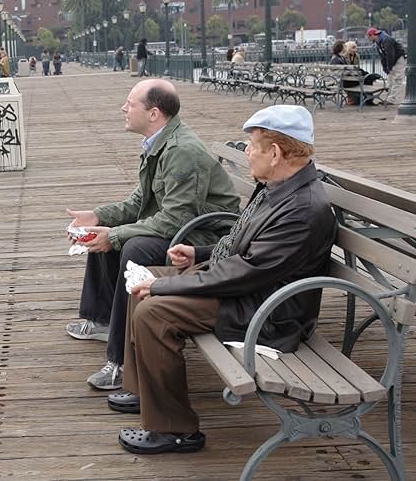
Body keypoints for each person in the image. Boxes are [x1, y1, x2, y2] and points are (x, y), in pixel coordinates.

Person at [112, 105, 337, 456]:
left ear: (275, 153)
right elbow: (246, 246)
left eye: (252, 146)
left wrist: (164, 287)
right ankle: (144, 389)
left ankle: (174, 430)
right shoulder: (280, 186)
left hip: (268, 314)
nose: (246, 152)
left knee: (152, 311)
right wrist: (200, 254)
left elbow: (244, 272)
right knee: (145, 279)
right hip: (251, 293)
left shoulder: (303, 209)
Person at [65, 79, 240, 390]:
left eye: (130, 104)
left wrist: (115, 235)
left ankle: (120, 360)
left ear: (153, 113)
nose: (123, 108)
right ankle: (102, 318)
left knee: (133, 248)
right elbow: (139, 201)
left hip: (204, 236)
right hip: (185, 225)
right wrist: (99, 217)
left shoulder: (181, 150)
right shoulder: (159, 142)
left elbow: (176, 220)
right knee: (103, 235)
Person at [367, 27, 406, 106]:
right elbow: (383, 56)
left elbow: (390, 54)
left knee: (397, 79)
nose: (368, 39)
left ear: (373, 35)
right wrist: (386, 68)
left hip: (399, 58)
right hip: (393, 59)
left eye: (368, 37)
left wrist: (389, 67)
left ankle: (391, 99)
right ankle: (389, 98)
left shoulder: (386, 40)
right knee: (390, 79)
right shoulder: (379, 41)